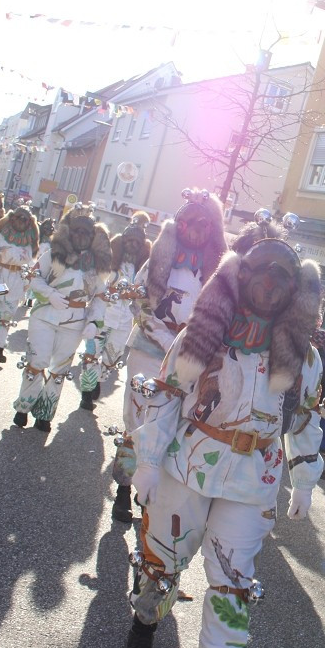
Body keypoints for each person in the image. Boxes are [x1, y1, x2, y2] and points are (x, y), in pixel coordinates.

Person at [122, 221, 324, 648]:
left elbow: (307, 419)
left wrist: (305, 479)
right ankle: (144, 624)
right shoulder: (203, 332)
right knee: (164, 557)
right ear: (239, 273)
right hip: (188, 463)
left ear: (296, 289)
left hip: (254, 479)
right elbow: (168, 394)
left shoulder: (304, 358)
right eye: (260, 271)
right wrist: (148, 460)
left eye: (282, 276)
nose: (269, 283)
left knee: (233, 580)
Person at [112, 188, 227, 522]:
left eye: (203, 224)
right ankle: (123, 489)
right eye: (188, 222)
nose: (195, 230)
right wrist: (163, 336)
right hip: (149, 350)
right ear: (178, 225)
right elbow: (138, 301)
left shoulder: (216, 272)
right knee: (137, 419)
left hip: (189, 360)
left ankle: (150, 496)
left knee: (171, 426)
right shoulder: (158, 260)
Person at [11, 204, 111, 432]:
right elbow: (34, 278)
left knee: (59, 371)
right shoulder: (53, 254)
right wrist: (49, 294)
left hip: (74, 323)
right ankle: (23, 408)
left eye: (86, 233)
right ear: (68, 231)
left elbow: (100, 297)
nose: (81, 236)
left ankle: (45, 415)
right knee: (37, 362)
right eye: (77, 231)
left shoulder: (97, 266)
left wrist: (94, 322)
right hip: (45, 316)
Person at [79, 213, 150, 414]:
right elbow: (96, 284)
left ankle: (98, 379)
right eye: (129, 241)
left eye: (137, 242)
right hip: (103, 313)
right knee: (92, 353)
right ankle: (86, 391)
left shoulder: (141, 268)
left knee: (113, 356)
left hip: (125, 319)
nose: (133, 245)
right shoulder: (109, 261)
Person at [0, 203, 39, 364]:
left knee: (6, 315)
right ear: (13, 218)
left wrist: (26, 283)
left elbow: (30, 264)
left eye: (25, 218)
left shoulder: (29, 240)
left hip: (16, 279)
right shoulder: (2, 236)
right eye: (19, 217)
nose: (22, 220)